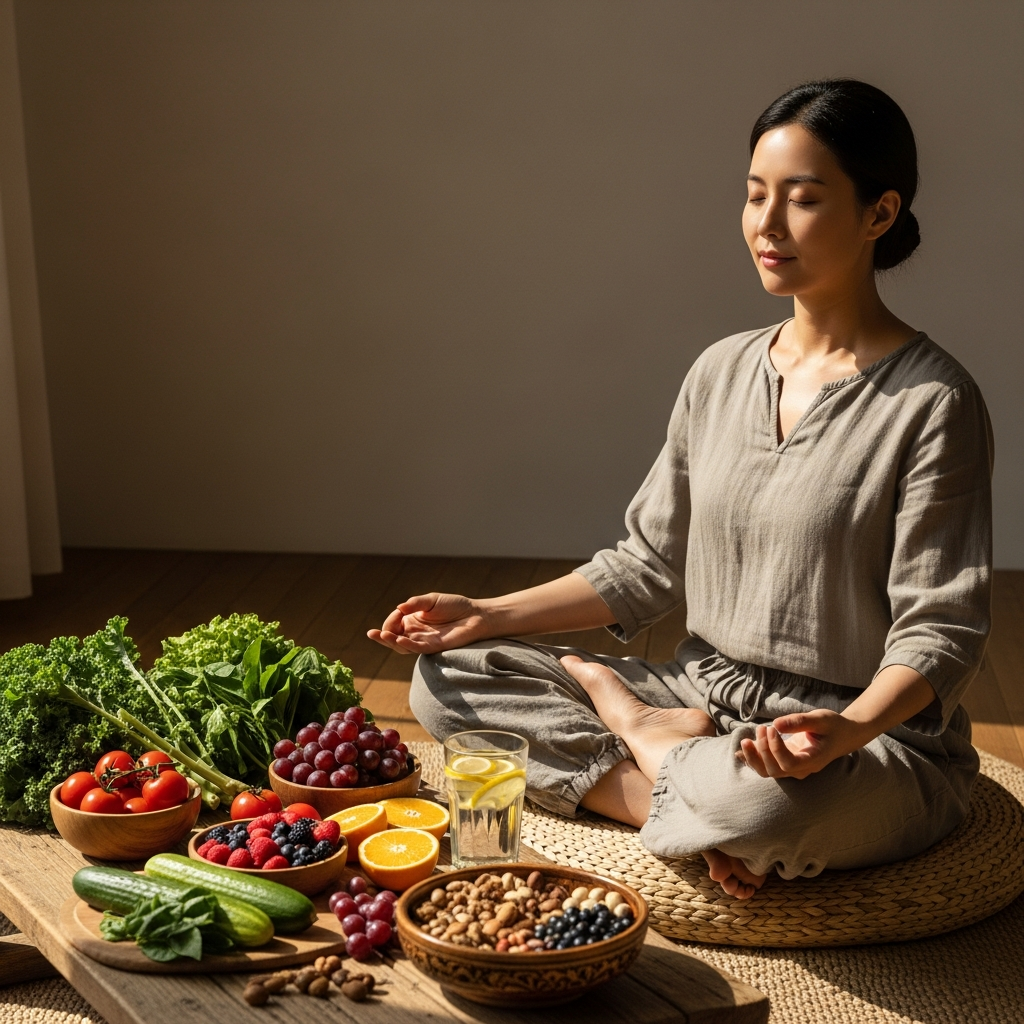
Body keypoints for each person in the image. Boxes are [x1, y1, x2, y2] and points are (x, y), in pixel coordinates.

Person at [368, 80, 993, 899]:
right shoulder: (721, 370)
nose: (766, 227)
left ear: (879, 213)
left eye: (802, 200)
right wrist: (488, 615)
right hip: (703, 693)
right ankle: (679, 794)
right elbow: (648, 563)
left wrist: (846, 730)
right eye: (754, 195)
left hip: (858, 744)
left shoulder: (934, 403)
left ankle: (654, 749)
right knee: (450, 677)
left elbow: (939, 633)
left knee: (768, 806)